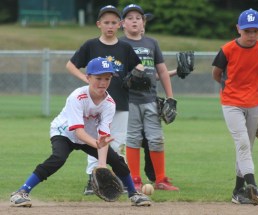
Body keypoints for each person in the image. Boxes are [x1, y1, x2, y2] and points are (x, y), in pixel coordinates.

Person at [10, 57, 151, 207]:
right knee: (58, 158)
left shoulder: (109, 104)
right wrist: (97, 144)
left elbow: (103, 136)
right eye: (98, 78)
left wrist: (102, 165)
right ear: (88, 77)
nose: (103, 83)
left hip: (89, 137)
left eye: (107, 78)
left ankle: (134, 194)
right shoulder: (77, 97)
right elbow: (78, 132)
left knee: (117, 161)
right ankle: (21, 192)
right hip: (64, 133)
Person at [65, 6, 151, 206]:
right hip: (94, 104)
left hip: (119, 101)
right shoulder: (91, 45)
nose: (110, 26)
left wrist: (140, 73)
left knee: (116, 143)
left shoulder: (125, 48)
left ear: (119, 25)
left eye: (114, 22)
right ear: (99, 24)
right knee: (95, 141)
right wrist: (86, 80)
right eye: (106, 22)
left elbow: (138, 67)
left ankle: (113, 177)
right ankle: (91, 179)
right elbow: (70, 65)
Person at [212, 8, 258, 205]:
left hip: (253, 104)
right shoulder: (227, 49)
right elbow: (216, 73)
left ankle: (237, 191)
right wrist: (227, 89)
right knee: (243, 142)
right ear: (238, 29)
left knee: (246, 148)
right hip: (231, 103)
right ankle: (252, 185)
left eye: (256, 31)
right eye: (247, 31)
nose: (252, 35)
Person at [120, 4, 179, 192]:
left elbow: (161, 70)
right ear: (123, 23)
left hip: (150, 99)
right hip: (129, 100)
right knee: (133, 138)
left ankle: (161, 179)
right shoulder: (120, 44)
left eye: (138, 17)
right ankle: (134, 179)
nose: (135, 20)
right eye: (130, 18)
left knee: (156, 139)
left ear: (143, 22)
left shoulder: (151, 43)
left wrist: (170, 97)